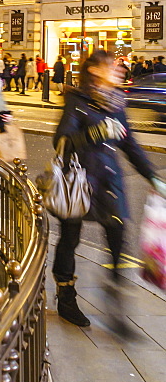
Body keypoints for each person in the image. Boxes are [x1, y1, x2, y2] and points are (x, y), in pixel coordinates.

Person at [52, 49, 166, 333]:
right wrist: (97, 132)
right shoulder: (76, 101)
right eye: (111, 66)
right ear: (94, 71)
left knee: (118, 240)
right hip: (78, 183)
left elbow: (130, 145)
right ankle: (66, 297)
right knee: (70, 238)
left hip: (109, 184)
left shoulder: (117, 102)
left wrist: (153, 177)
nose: (119, 70)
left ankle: (116, 304)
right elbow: (62, 141)